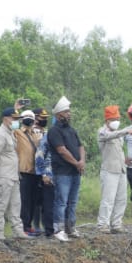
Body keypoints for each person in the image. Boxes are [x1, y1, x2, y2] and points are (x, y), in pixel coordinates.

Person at [0, 107, 28, 242]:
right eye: (14, 119)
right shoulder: (0, 134)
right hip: (3, 175)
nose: (16, 121)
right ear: (6, 119)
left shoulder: (10, 133)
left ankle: (18, 230)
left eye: (17, 119)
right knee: (1, 204)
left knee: (16, 205)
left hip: (13, 175)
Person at [47, 96, 85, 241]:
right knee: (61, 201)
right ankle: (59, 229)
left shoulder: (71, 130)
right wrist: (77, 163)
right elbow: (62, 150)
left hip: (75, 172)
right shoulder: (54, 131)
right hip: (62, 172)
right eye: (66, 111)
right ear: (59, 114)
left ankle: (71, 228)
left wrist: (82, 161)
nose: (69, 114)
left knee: (73, 201)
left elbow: (81, 146)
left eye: (69, 111)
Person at [96, 105, 131, 233]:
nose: (117, 121)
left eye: (117, 118)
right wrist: (126, 131)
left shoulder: (119, 135)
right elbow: (111, 135)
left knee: (122, 199)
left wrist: (125, 161)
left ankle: (116, 224)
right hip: (109, 170)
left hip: (121, 169)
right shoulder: (102, 132)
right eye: (113, 119)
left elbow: (118, 150)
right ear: (107, 121)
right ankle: (102, 224)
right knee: (108, 199)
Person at [14, 107, 42, 237]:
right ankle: (23, 226)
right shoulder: (17, 132)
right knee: (24, 200)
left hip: (35, 171)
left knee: (33, 200)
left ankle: (29, 225)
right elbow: (11, 127)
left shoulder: (35, 134)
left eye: (31, 118)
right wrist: (16, 111)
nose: (29, 120)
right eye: (27, 118)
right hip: (23, 170)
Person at [31, 108, 57, 238]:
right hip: (32, 168)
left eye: (46, 118)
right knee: (35, 200)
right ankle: (35, 225)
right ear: (35, 117)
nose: (44, 120)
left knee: (44, 200)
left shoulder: (46, 132)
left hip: (46, 169)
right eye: (42, 118)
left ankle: (44, 224)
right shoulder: (31, 131)